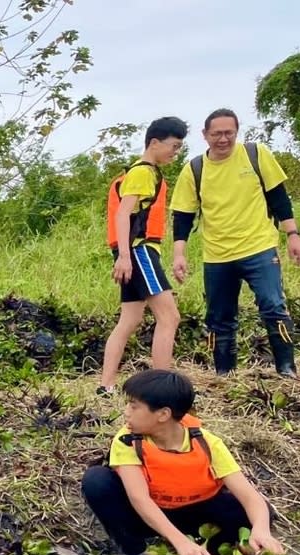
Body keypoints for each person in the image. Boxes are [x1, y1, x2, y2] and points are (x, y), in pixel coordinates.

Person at [82, 369, 284, 555]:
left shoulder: (207, 443)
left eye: (134, 407)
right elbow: (139, 499)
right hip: (148, 516)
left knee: (261, 512)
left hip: (194, 514)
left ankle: (210, 554)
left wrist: (261, 530)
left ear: (163, 414)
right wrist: (180, 542)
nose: (126, 412)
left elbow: (250, 497)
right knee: (97, 481)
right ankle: (137, 553)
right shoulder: (127, 441)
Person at [172, 108, 300, 377]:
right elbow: (183, 216)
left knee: (273, 307)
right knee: (219, 318)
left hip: (259, 247)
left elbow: (278, 197)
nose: (223, 139)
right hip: (217, 255)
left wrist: (292, 234)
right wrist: (179, 254)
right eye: (216, 133)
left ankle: (287, 369)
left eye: (229, 133)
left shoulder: (256, 155)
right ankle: (224, 373)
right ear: (205, 135)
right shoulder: (194, 169)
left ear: (236, 132)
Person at [98, 117, 188, 395]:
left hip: (134, 251)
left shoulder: (145, 173)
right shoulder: (143, 172)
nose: (175, 153)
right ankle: (161, 386)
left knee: (130, 319)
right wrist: (125, 256)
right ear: (154, 143)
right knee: (169, 317)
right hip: (139, 251)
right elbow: (123, 213)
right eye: (173, 146)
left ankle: (106, 385)